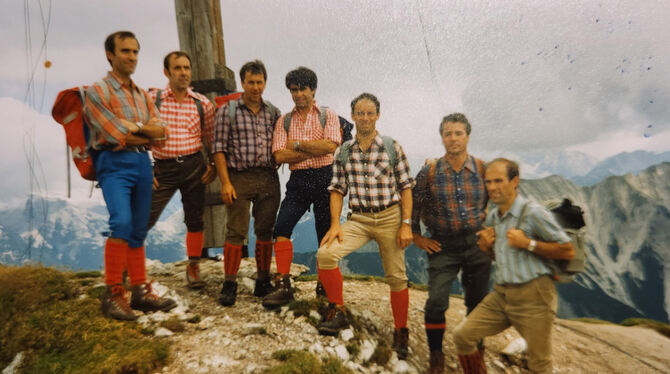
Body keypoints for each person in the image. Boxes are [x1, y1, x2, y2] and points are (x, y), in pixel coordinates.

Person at [84, 31, 176, 321]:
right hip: (113, 163)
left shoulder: (141, 94)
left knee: (138, 228)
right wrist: (142, 131)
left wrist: (132, 128)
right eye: (125, 51)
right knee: (121, 222)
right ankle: (113, 293)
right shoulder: (98, 91)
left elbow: (162, 135)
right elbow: (112, 133)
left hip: (141, 164)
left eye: (135, 51)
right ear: (110, 54)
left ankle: (139, 291)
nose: (132, 57)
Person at [452, 158, 575, 374]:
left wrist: (528, 243)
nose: (492, 187)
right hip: (501, 295)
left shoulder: (533, 213)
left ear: (515, 181)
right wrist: (486, 248)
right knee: (463, 336)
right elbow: (501, 257)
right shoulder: (494, 217)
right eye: (488, 182)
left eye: (498, 181)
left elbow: (567, 250)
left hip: (534, 296)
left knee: (539, 364)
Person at [316, 93, 415, 359]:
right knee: (325, 254)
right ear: (353, 116)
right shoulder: (344, 151)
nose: (365, 118)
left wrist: (406, 224)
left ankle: (401, 330)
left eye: (370, 113)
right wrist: (335, 224)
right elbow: (337, 189)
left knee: (396, 276)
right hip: (358, 219)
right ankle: (338, 310)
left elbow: (406, 188)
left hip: (390, 217)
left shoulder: (392, 147)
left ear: (378, 115)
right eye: (360, 113)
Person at [411, 113, 491, 373]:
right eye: (448, 134)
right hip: (442, 244)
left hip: (477, 244)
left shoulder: (483, 169)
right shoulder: (429, 172)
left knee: (477, 303)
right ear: (442, 137)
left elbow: (498, 201)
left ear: (467, 135)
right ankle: (436, 355)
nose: (453, 138)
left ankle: (476, 352)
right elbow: (412, 205)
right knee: (436, 301)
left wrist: (492, 230)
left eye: (458, 133)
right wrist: (416, 236)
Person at [262, 67, 342, 308]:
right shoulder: (284, 120)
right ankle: (284, 284)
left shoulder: (328, 115)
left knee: (324, 233)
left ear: (313, 89)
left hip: (324, 178)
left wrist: (296, 145)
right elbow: (278, 156)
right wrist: (311, 148)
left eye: (303, 89)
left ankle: (324, 283)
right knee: (282, 226)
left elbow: (330, 146)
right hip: (298, 182)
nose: (298, 95)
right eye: (294, 90)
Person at [212, 60, 281, 306]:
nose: (255, 87)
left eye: (259, 82)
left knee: (265, 229)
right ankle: (229, 283)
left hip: (268, 178)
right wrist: (225, 183)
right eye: (250, 82)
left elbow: (279, 145)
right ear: (242, 83)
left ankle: (262, 280)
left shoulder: (273, 112)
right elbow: (218, 150)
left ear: (265, 82)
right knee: (236, 231)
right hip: (239, 177)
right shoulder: (227, 111)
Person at [147, 51, 217, 290]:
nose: (183, 73)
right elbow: (137, 134)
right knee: (145, 216)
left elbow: (210, 138)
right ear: (167, 72)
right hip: (162, 168)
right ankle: (128, 265)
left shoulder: (202, 104)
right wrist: (146, 170)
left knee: (195, 218)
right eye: (177, 68)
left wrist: (213, 165)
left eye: (187, 68)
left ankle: (194, 266)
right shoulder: (152, 99)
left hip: (193, 165)